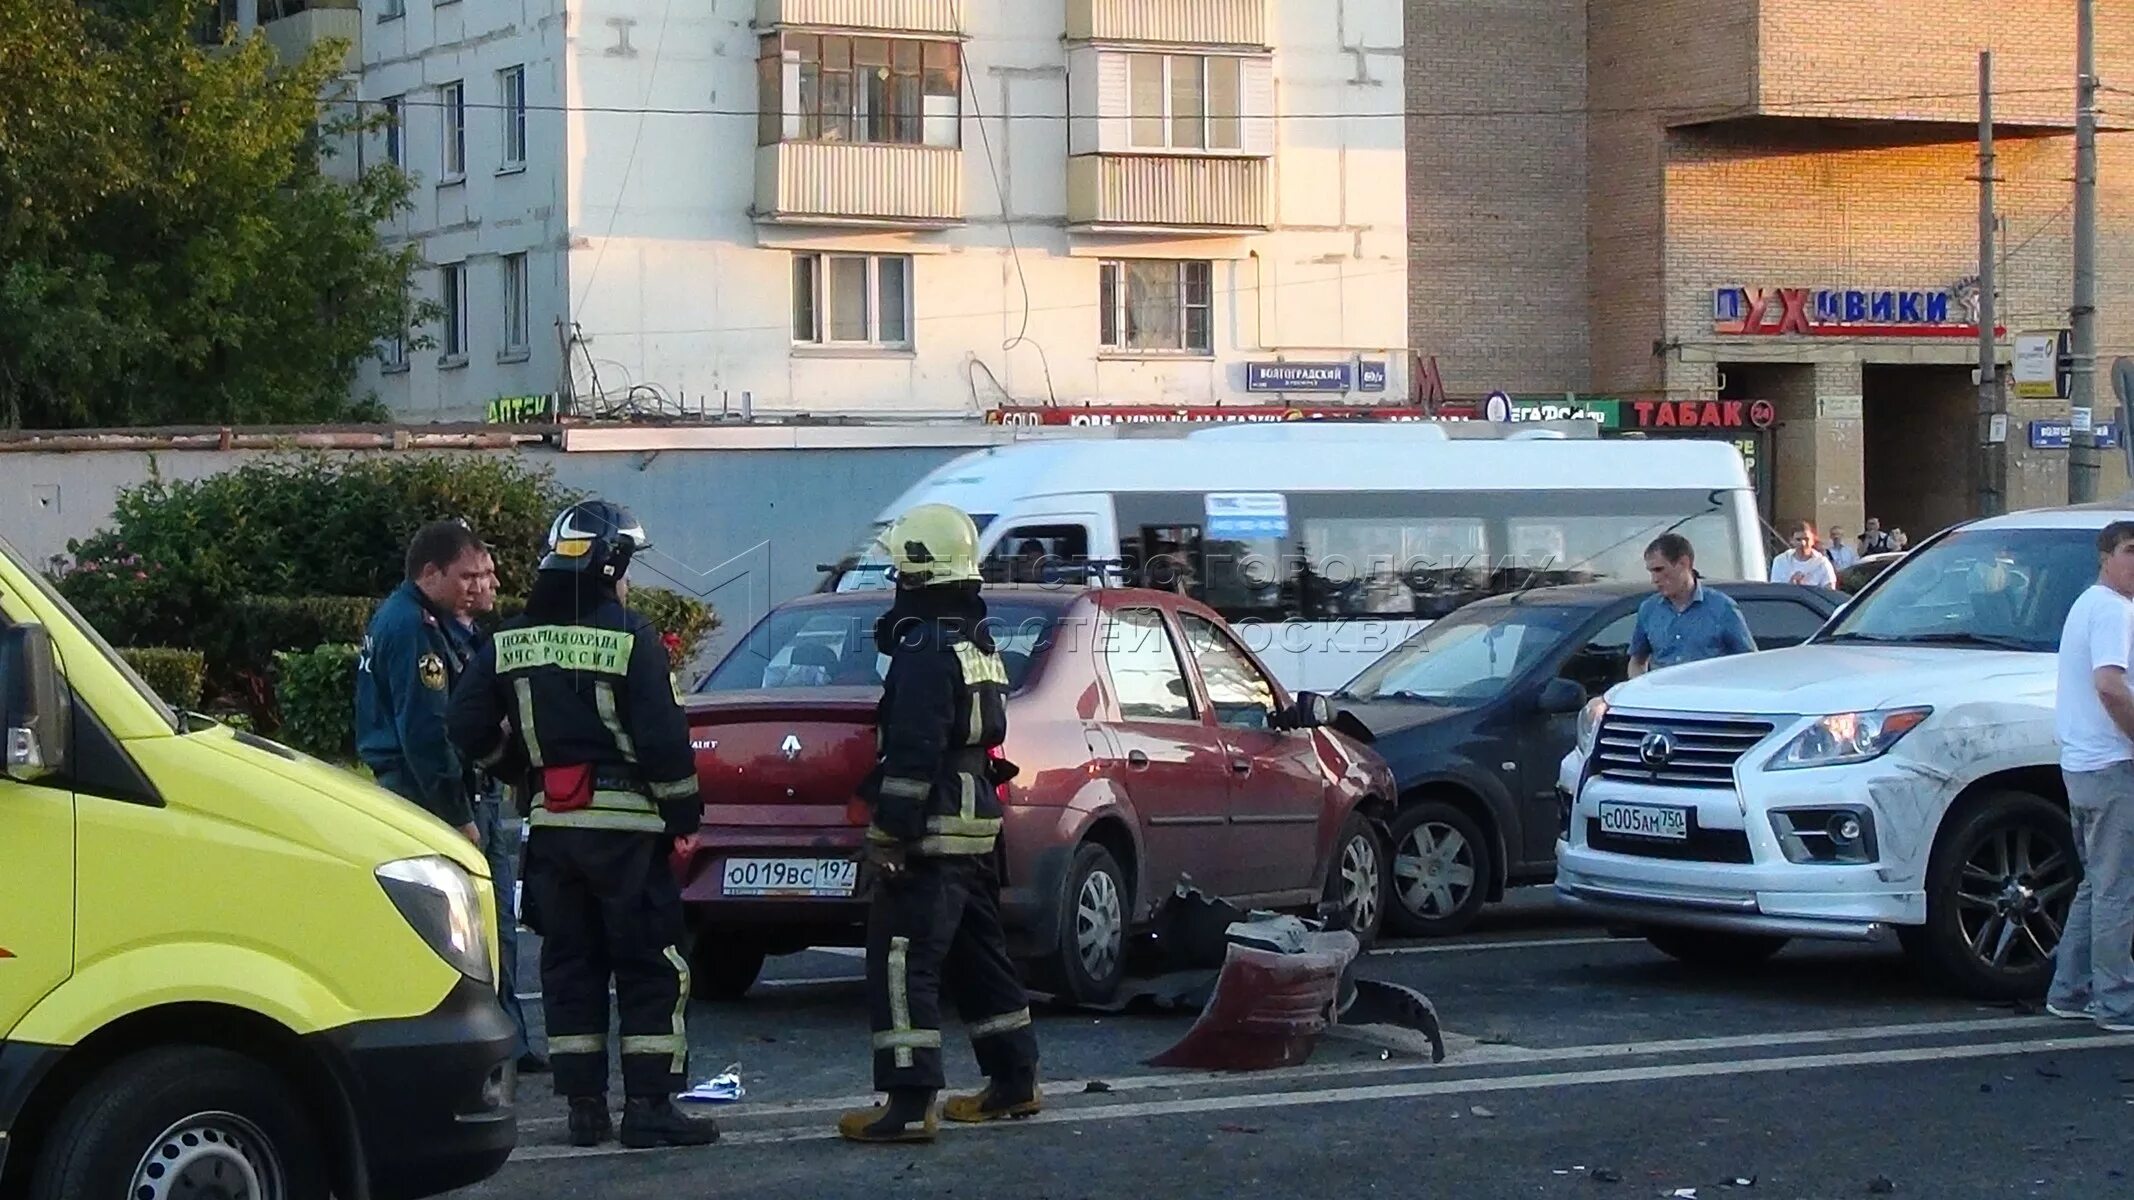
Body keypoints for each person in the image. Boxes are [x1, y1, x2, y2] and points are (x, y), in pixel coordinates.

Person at [447, 500, 719, 1149]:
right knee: (652, 967)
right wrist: (683, 815)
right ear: (611, 563)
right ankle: (649, 1107)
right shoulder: (630, 637)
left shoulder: (508, 639)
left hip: (553, 836)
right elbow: (662, 739)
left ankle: (585, 1111)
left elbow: (463, 724)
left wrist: (518, 767)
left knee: (571, 967)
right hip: (627, 839)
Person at [838, 503, 1040, 1145]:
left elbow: (914, 752)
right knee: (979, 956)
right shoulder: (974, 639)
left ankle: (907, 1103)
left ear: (915, 570)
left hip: (933, 827)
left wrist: (889, 834)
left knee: (901, 961)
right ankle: (1014, 1082)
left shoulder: (923, 648)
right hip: (976, 819)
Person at [453, 541, 548, 1077]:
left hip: (483, 792)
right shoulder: (422, 635)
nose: (486, 584)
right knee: (475, 930)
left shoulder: (473, 637)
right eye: (472, 576)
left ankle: (507, 1038)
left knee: (499, 927)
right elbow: (434, 732)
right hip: (464, 801)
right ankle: (489, 1043)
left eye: (489, 573)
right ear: (433, 574)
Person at [2045, 520, 2134, 1033]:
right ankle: (2117, 1002)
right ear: (2105, 555)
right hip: (2111, 763)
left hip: (2081, 764)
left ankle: (2070, 988)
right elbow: (2110, 686)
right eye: (2129, 551)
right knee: (2118, 888)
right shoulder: (2111, 610)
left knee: (2096, 884)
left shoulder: (2088, 604)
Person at [356, 520, 487, 845]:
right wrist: (458, 816)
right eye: (467, 577)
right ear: (430, 572)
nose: (478, 587)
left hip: (409, 785)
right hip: (418, 792)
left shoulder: (398, 613)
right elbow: (425, 728)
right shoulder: (415, 627)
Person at [1628, 533, 1756, 678]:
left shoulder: (1722, 607)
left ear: (1684, 563)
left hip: (1707, 696)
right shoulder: (1649, 609)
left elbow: (1749, 662)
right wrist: (1642, 687)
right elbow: (1636, 661)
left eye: (1659, 570)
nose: (1654, 579)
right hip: (1662, 696)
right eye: (1651, 572)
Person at [1768, 522, 1839, 589]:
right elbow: (1775, 590)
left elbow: (1829, 592)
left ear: (1813, 540)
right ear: (1791, 541)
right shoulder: (1781, 561)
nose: (1803, 543)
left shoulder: (1822, 563)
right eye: (1798, 539)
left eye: (1806, 539)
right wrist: (1791, 584)